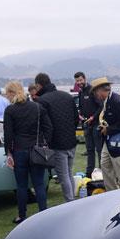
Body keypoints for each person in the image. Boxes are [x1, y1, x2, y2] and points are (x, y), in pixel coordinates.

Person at [2, 80, 46, 223]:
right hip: (36, 149)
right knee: (39, 184)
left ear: (11, 93)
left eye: (7, 93)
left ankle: (22, 215)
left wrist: (8, 153)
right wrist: (45, 143)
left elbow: (8, 134)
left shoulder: (10, 110)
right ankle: (44, 214)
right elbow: (48, 127)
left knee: (21, 185)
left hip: (19, 150)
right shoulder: (37, 107)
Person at [33, 72, 78, 203]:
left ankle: (70, 202)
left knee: (63, 176)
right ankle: (73, 200)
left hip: (57, 143)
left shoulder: (42, 101)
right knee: (69, 173)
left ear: (38, 85)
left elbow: (45, 125)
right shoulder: (67, 96)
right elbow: (76, 119)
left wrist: (47, 142)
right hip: (71, 140)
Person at [94, 77, 120, 190]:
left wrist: (108, 129)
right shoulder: (108, 101)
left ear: (101, 90)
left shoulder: (117, 101)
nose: (95, 95)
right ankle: (111, 193)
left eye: (95, 92)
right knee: (104, 164)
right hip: (110, 141)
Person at [73, 71, 100, 177]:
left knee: (99, 149)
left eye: (80, 80)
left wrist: (93, 117)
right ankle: (89, 173)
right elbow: (81, 107)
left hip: (96, 123)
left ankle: (103, 171)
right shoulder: (80, 92)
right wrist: (79, 114)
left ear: (84, 78)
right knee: (89, 149)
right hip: (86, 124)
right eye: (77, 81)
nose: (79, 82)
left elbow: (101, 106)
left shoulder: (92, 90)